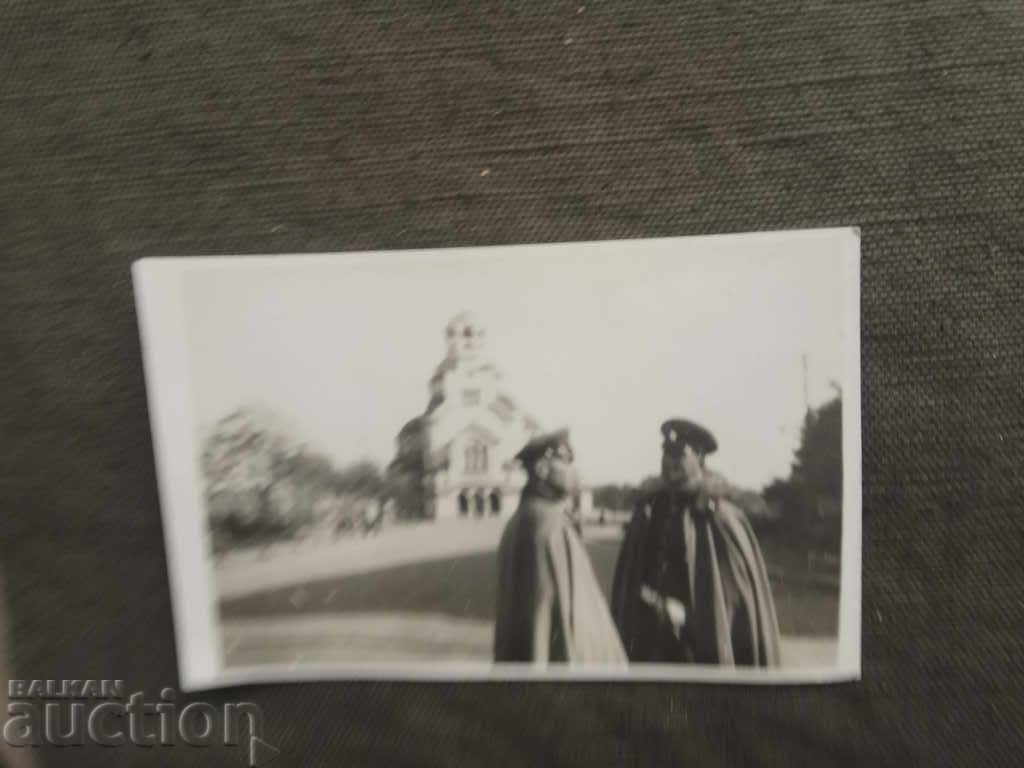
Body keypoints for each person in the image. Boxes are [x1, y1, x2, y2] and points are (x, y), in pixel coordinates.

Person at [611, 419, 781, 666]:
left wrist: (688, 616)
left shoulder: (719, 516)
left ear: (700, 457)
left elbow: (731, 604)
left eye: (679, 453)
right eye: (666, 453)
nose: (669, 461)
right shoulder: (651, 508)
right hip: (651, 645)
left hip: (697, 649)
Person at [494, 429, 627, 665]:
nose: (573, 469)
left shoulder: (529, 518)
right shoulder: (548, 524)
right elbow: (554, 624)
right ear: (542, 469)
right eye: (565, 460)